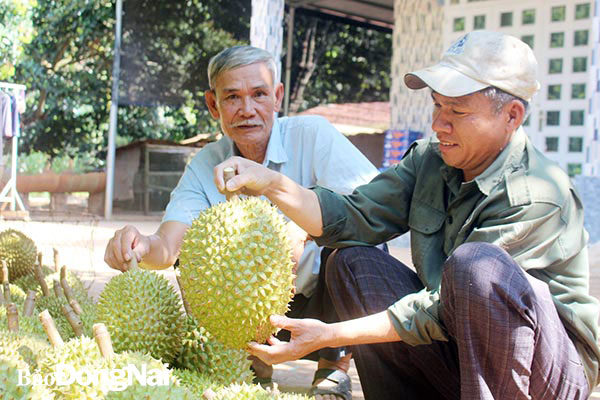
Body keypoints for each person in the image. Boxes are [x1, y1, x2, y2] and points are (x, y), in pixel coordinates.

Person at [214, 31, 600, 399]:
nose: (438, 124)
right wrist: (270, 183)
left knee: (475, 267)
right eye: (437, 105)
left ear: (511, 116)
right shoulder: (431, 159)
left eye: (458, 111)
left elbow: (441, 305)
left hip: (545, 374)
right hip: (456, 345)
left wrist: (330, 335)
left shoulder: (537, 195)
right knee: (351, 260)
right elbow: (355, 216)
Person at [103, 45, 378, 399]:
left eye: (259, 94)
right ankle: (246, 357)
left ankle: (333, 362)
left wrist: (306, 229)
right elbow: (169, 246)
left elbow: (371, 204)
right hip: (246, 316)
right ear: (213, 105)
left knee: (357, 248)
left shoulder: (313, 136)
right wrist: (139, 245)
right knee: (193, 253)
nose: (247, 110)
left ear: (277, 96)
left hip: (322, 304)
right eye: (232, 97)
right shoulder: (205, 164)